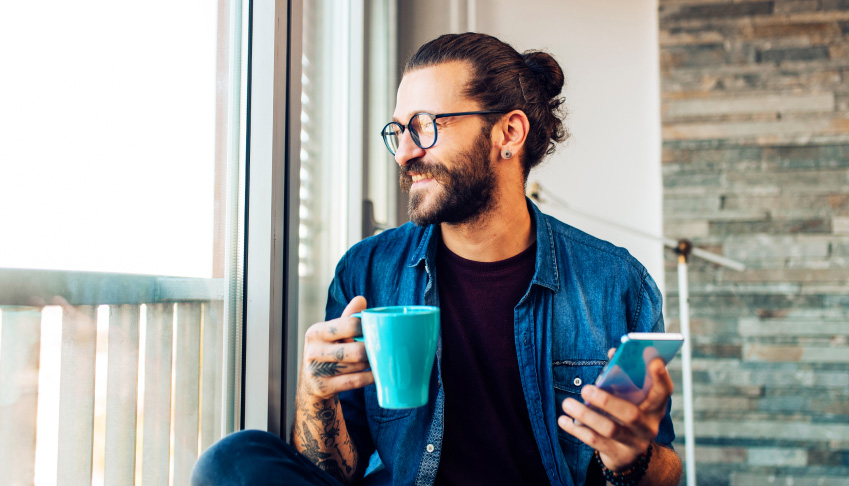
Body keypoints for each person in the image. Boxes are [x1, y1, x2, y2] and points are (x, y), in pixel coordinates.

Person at [193, 32, 682, 486]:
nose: (404, 152)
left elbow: (665, 467)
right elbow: (337, 472)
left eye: (424, 126)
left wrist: (632, 456)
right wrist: (315, 395)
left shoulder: (614, 282)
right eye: (399, 130)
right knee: (234, 460)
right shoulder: (366, 272)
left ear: (508, 132)